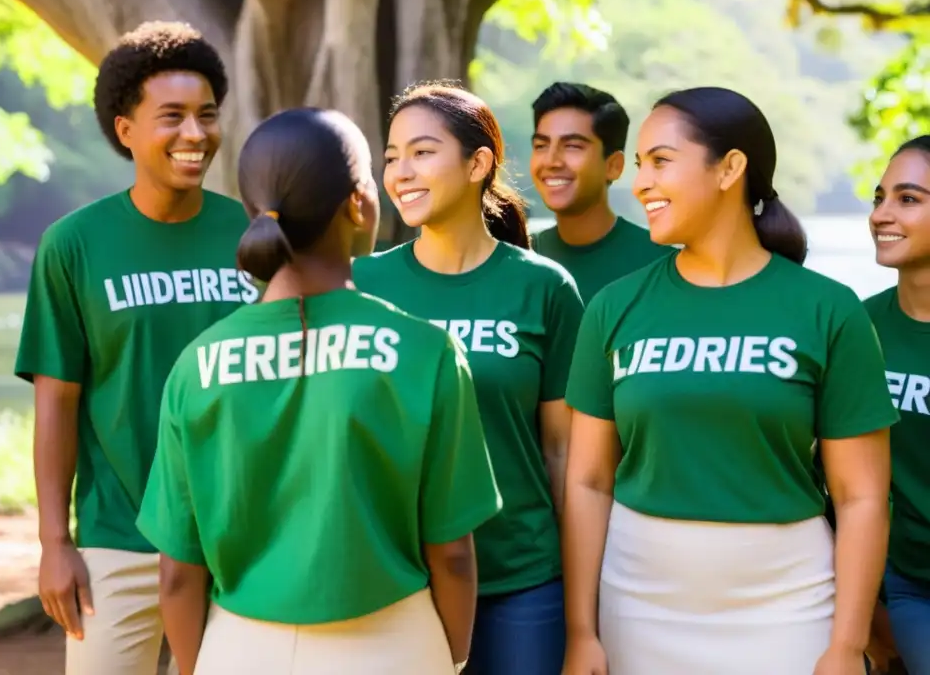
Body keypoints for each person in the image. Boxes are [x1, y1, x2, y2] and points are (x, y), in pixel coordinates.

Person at [135, 107, 502, 675]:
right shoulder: (424, 351)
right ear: (358, 203)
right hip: (395, 645)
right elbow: (453, 553)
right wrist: (450, 659)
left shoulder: (195, 365)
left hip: (240, 650)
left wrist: (196, 666)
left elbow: (178, 571)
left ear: (253, 210)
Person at [561, 86, 898, 675]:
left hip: (789, 604)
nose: (640, 183)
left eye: (661, 161)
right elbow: (588, 482)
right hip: (640, 602)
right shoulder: (614, 308)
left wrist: (846, 644)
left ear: (731, 169)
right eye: (639, 165)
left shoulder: (829, 310)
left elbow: (862, 496)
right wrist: (580, 632)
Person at [14, 21, 260, 675]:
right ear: (126, 130)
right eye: (172, 117)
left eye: (207, 116)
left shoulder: (252, 234)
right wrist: (54, 543)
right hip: (118, 542)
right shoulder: (74, 245)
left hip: (235, 543)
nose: (195, 135)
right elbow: (57, 402)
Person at [353, 82, 585, 675]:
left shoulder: (546, 288)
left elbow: (562, 452)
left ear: (478, 163)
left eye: (422, 152)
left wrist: (583, 604)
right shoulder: (361, 286)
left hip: (523, 580)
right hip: (395, 580)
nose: (401, 172)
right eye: (391, 157)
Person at [866, 135, 930, 675]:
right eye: (879, 197)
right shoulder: (858, 327)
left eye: (908, 199)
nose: (882, 214)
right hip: (906, 585)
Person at [529, 82, 671, 301]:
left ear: (614, 165)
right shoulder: (518, 255)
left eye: (572, 146)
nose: (551, 161)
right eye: (541, 146)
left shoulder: (661, 264)